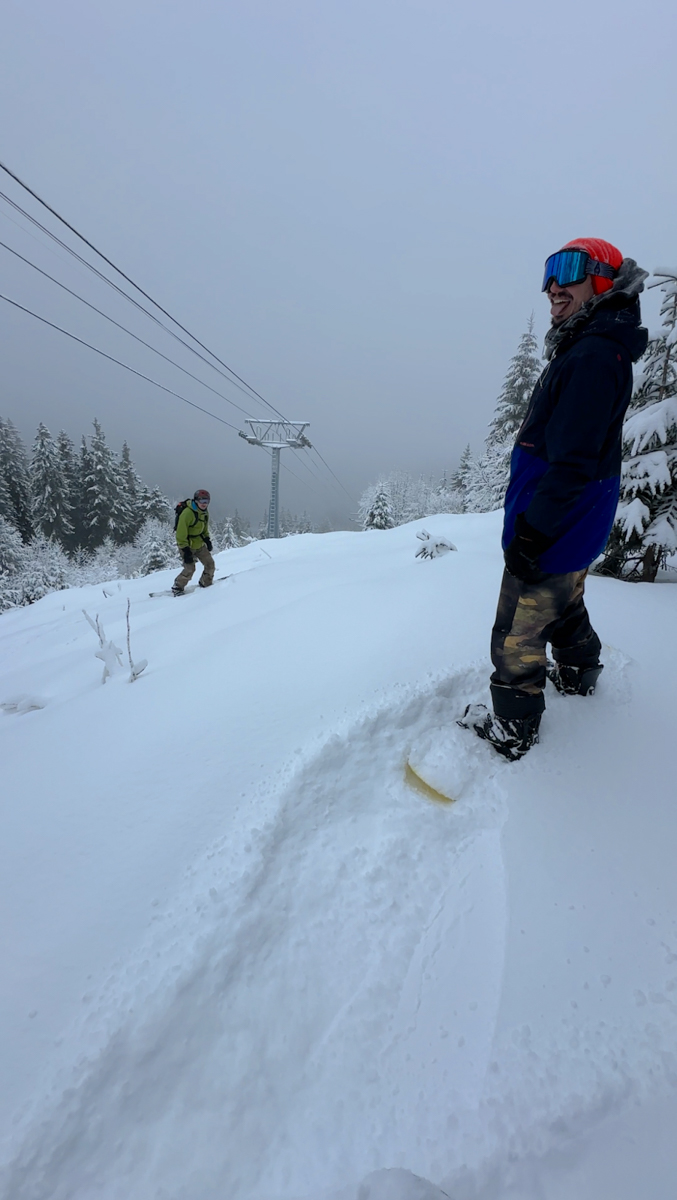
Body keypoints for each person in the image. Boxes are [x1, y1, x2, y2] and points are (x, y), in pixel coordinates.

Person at [460, 238, 648, 760]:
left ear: (603, 281)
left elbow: (571, 461)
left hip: (555, 520)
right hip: (574, 518)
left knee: (518, 630)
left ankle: (514, 730)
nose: (552, 288)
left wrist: (533, 530)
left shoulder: (591, 354)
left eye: (568, 271)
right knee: (564, 599)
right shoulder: (594, 343)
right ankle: (580, 669)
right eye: (547, 274)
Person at [172, 489, 215, 596]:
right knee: (190, 568)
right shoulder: (187, 513)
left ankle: (205, 583)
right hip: (187, 545)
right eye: (202, 501)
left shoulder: (204, 513)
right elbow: (181, 533)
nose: (204, 504)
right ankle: (178, 587)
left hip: (199, 544)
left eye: (206, 501)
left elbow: (204, 528)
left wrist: (207, 539)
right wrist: (185, 550)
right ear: (196, 501)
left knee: (210, 564)